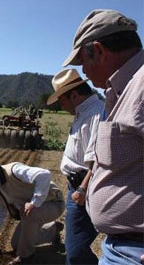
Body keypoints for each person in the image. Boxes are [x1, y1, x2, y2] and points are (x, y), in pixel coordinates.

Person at [63, 9, 144, 265]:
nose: (84, 72)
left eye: (83, 62)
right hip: (123, 246)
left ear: (98, 50)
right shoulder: (122, 91)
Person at [47, 68, 104, 264]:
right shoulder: (82, 113)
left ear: (74, 94)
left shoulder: (97, 114)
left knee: (76, 251)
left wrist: (82, 188)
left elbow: (99, 159)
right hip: (77, 188)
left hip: (85, 190)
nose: (61, 106)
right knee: (75, 250)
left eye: (62, 100)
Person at [0, 156, 65, 264]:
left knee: (30, 215)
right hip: (35, 211)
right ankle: (53, 230)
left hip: (54, 203)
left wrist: (34, 202)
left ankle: (26, 257)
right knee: (16, 244)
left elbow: (44, 175)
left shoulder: (14, 171)